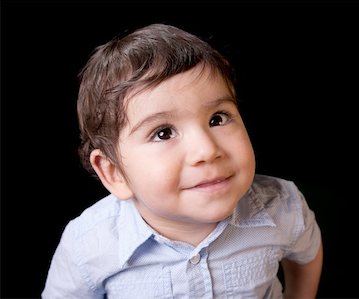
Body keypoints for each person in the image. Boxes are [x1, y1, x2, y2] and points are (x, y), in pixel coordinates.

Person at [42, 23, 323, 299]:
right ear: (114, 172)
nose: (206, 150)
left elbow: (307, 254)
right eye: (163, 133)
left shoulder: (282, 207)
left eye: (218, 118)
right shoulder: (88, 244)